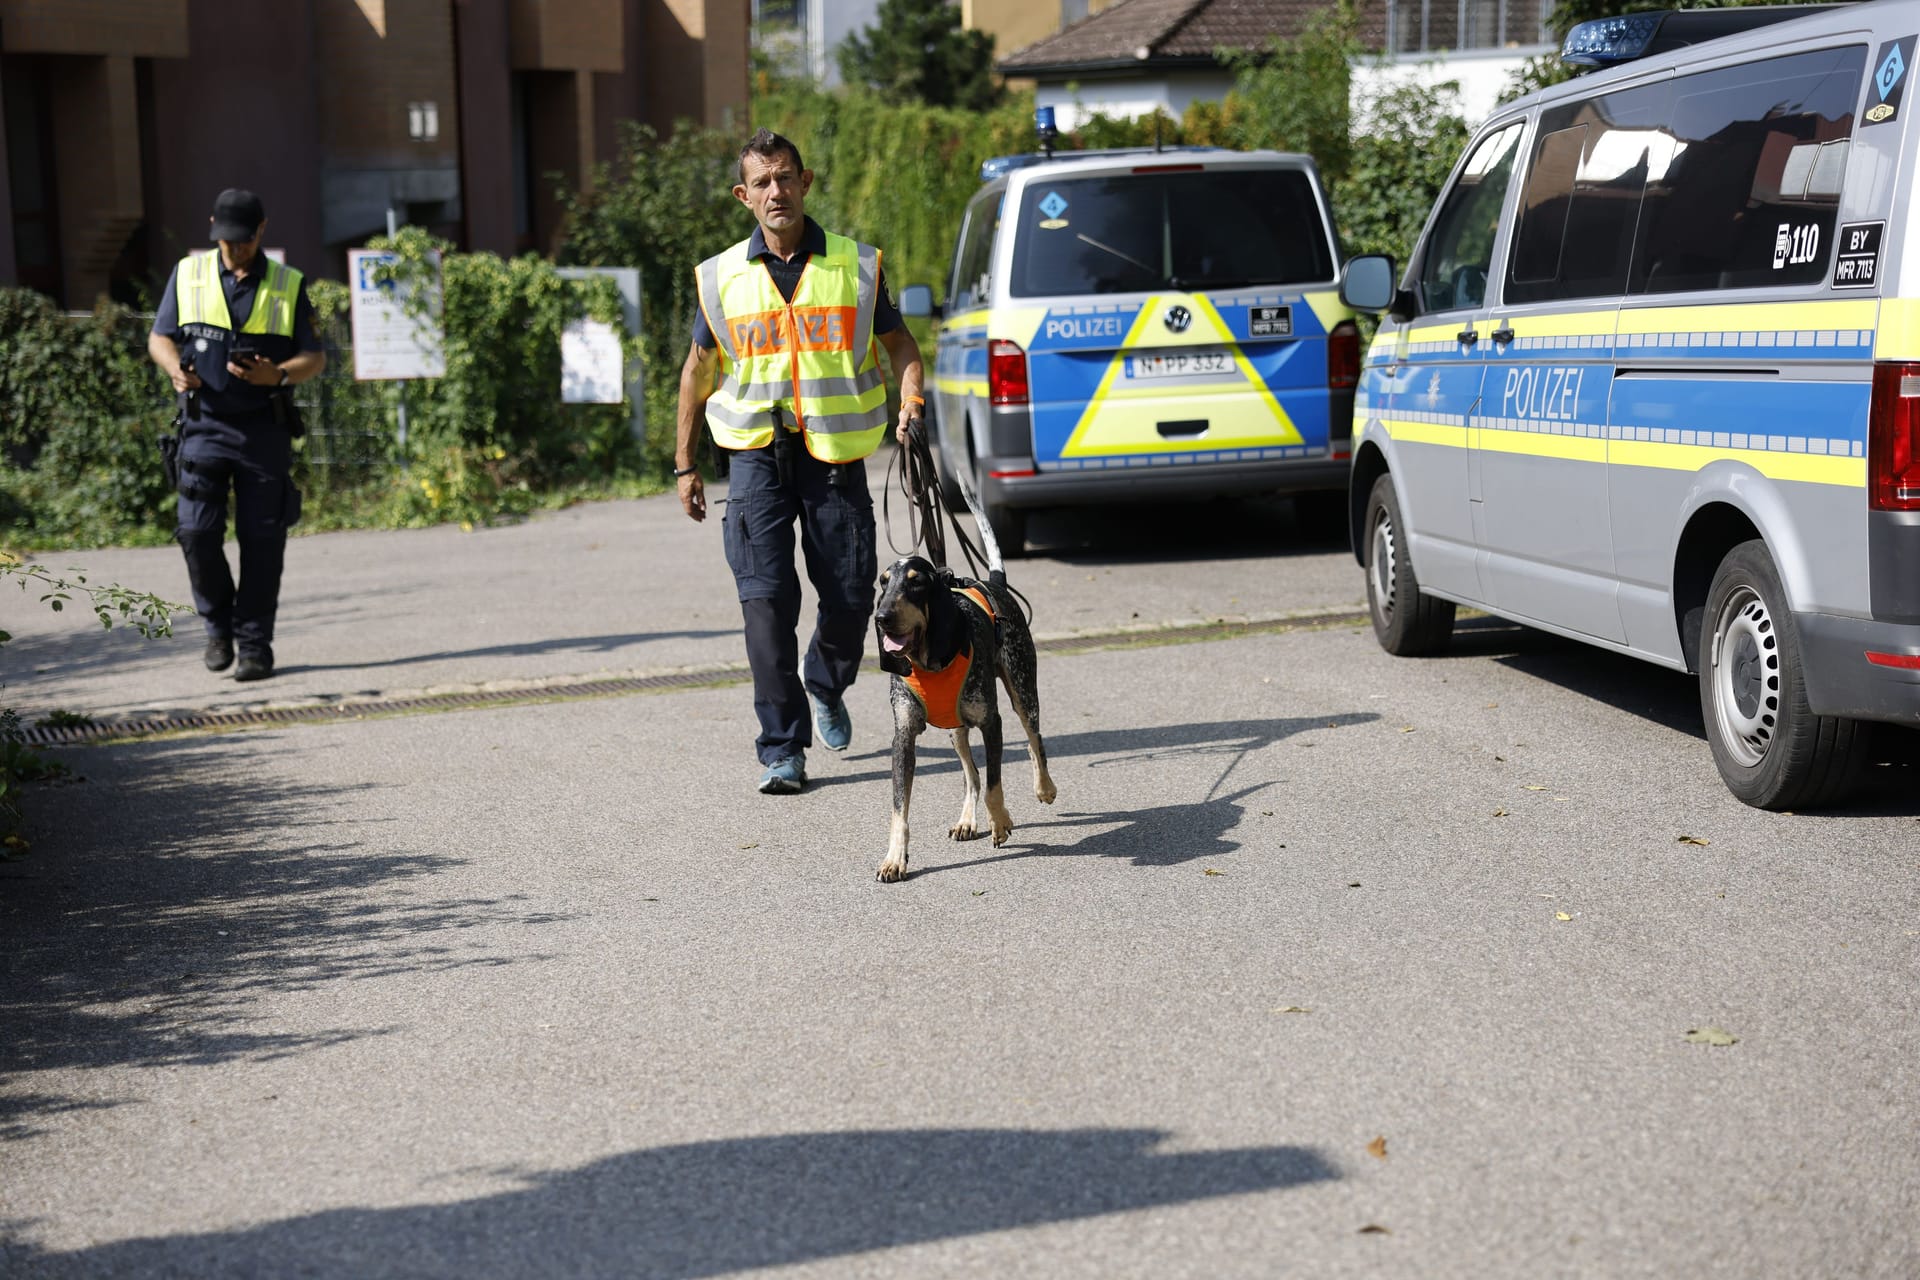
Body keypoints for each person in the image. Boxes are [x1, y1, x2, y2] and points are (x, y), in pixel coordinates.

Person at [676, 128, 924, 795]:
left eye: (785, 177)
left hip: (835, 457)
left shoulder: (855, 265)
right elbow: (698, 370)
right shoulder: (721, 276)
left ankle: (826, 680)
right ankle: (782, 750)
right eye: (761, 182)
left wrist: (911, 398)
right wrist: (684, 463)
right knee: (766, 605)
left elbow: (902, 347)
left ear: (805, 182)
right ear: (743, 195)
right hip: (755, 453)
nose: (776, 191)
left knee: (849, 600)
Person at [147, 189, 325, 682]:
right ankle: (218, 628)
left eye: (243, 241)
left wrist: (280, 376)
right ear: (213, 230)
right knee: (196, 532)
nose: (235, 250)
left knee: (262, 541)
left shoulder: (288, 284)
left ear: (261, 231)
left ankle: (254, 646)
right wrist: (174, 372)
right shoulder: (189, 274)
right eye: (226, 242)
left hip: (262, 430)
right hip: (203, 426)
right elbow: (160, 337)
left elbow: (316, 356)